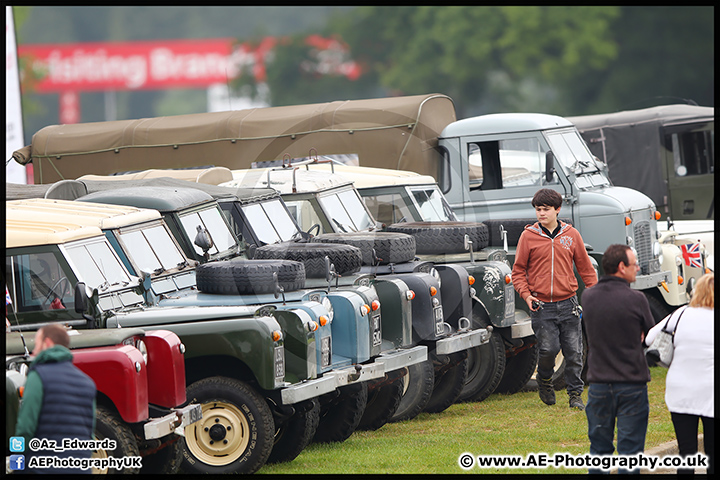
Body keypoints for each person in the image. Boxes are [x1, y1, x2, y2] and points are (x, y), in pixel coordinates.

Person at [512, 188, 597, 410]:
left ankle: (575, 396)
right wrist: (526, 295)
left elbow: (586, 269)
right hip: (541, 306)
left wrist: (596, 294)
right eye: (538, 210)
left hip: (568, 303)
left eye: (546, 209)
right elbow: (518, 272)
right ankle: (545, 380)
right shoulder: (527, 237)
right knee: (548, 350)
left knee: (574, 352)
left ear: (557, 210)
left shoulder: (572, 235)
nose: (541, 214)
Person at [582, 244, 655, 474]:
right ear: (622, 267)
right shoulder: (637, 299)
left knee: (599, 450)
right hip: (631, 384)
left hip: (599, 385)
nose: (637, 269)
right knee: (630, 453)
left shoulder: (588, 296)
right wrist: (639, 338)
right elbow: (651, 337)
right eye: (634, 265)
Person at [645, 272, 714, 475]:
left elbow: (650, 338)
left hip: (681, 391)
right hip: (711, 391)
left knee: (686, 453)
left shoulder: (681, 314)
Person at [15, 324, 97, 474]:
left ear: (47, 343)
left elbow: (26, 427)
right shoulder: (87, 382)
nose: (34, 350)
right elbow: (89, 434)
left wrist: (16, 458)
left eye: (37, 343)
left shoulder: (38, 375)